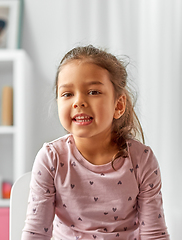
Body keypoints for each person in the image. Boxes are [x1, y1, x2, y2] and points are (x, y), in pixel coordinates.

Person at [22, 45, 169, 240]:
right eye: (67, 94)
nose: (78, 102)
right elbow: (36, 234)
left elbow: (154, 235)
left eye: (93, 92)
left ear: (118, 105)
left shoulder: (142, 160)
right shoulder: (51, 159)